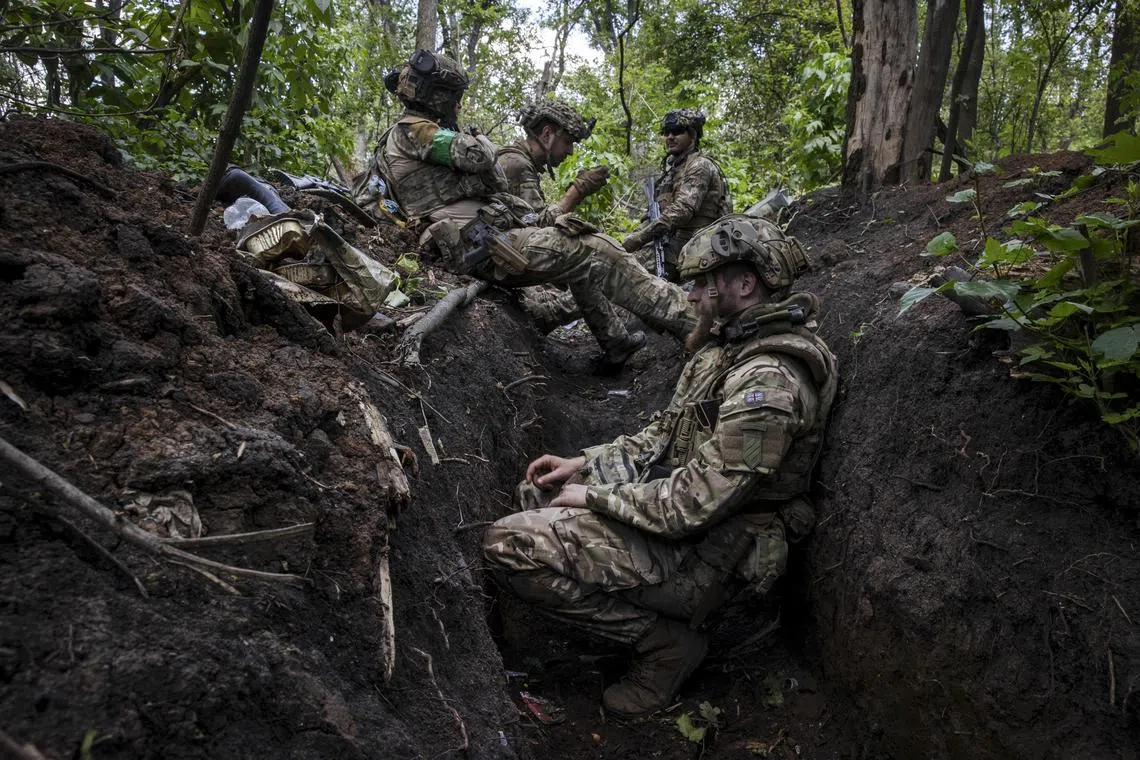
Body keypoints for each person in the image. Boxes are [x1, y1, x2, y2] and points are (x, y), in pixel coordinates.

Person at [483, 214, 838, 718]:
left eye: (702, 284)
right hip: (683, 527)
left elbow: (694, 505)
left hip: (711, 556)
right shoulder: (726, 350)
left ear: (744, 283)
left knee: (508, 544)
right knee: (539, 493)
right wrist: (584, 463)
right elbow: (664, 434)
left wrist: (595, 496)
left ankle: (663, 646)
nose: (691, 297)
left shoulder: (769, 382)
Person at [374, 50, 693, 363]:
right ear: (437, 95)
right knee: (595, 249)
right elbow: (481, 157)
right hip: (481, 245)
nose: (457, 105)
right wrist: (485, 143)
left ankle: (617, 341)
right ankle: (695, 321)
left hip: (482, 240)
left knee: (584, 256)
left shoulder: (409, 134)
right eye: (454, 96)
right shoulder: (414, 129)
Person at [497, 99, 608, 333]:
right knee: (591, 258)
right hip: (503, 258)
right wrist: (577, 191)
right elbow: (536, 227)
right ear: (547, 134)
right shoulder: (515, 164)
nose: (570, 151)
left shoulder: (522, 162)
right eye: (567, 142)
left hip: (508, 254)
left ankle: (616, 343)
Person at [623, 109, 734, 282]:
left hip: (693, 245)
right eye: (666, 133)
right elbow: (653, 216)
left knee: (625, 275)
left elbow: (682, 211)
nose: (670, 137)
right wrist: (630, 239)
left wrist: (640, 237)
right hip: (667, 243)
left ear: (692, 135)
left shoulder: (699, 165)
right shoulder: (672, 172)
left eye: (677, 131)